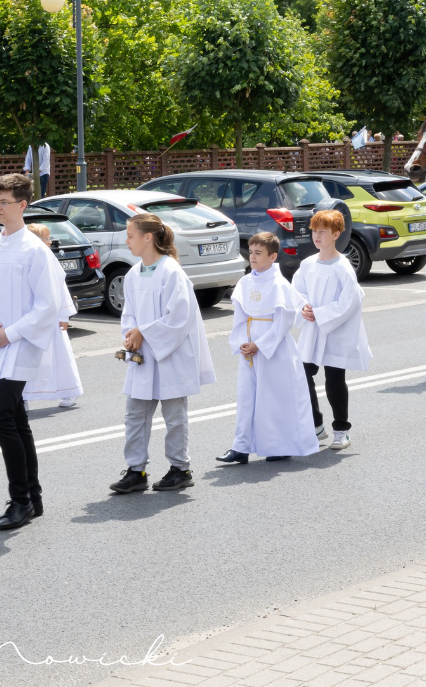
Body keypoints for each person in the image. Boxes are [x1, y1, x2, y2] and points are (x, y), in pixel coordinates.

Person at [0, 173, 63, 530]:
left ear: (22, 205)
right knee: (17, 420)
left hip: (20, 344)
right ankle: (33, 497)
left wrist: (11, 333)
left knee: (1, 418)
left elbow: (47, 305)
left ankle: (19, 499)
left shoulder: (36, 250)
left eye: (4, 202)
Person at [109, 214, 215, 494]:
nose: (126, 240)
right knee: (135, 414)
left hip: (171, 355)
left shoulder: (171, 271)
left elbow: (179, 318)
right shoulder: (133, 273)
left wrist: (143, 332)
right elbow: (128, 313)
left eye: (130, 235)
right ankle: (136, 470)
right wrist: (131, 334)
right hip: (144, 355)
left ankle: (180, 468)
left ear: (148, 237)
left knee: (173, 415)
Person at [216, 232, 320, 464]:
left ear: (272, 257)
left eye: (258, 253)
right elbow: (241, 317)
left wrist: (259, 345)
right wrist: (242, 343)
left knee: (272, 398)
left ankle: (278, 445)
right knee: (246, 398)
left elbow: (283, 323)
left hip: (274, 349)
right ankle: (240, 447)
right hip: (249, 345)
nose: (252, 257)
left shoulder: (279, 284)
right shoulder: (245, 282)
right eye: (251, 252)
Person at [292, 210, 371, 452]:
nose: (317, 236)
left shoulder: (343, 267)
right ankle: (316, 425)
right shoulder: (307, 264)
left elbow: (351, 300)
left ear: (336, 234)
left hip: (334, 331)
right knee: (302, 375)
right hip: (313, 330)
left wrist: (322, 314)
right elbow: (297, 290)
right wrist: (303, 306)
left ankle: (341, 430)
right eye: (314, 231)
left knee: (334, 380)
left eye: (323, 231)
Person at [21, 223, 81, 409]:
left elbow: (60, 287)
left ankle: (70, 390)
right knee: (25, 358)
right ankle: (23, 395)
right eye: (47, 239)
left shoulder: (48, 258)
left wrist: (64, 313)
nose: (50, 242)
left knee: (60, 356)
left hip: (51, 317)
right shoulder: (27, 256)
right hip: (29, 315)